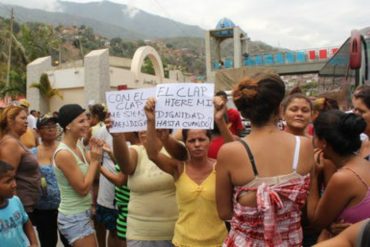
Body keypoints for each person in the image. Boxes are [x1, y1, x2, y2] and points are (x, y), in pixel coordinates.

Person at [216, 72, 314, 246]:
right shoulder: (304, 146)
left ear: (245, 111)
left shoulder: (230, 152)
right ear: (279, 109)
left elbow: (224, 212)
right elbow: (306, 207)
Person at [144, 97, 229, 246]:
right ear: (185, 144)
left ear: (210, 141)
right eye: (191, 140)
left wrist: (220, 120)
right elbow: (153, 155)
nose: (197, 144)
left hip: (219, 242)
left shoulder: (220, 167)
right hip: (183, 242)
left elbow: (236, 149)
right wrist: (151, 121)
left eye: (201, 139)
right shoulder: (178, 168)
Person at [106, 118, 187, 247]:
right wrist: (117, 137)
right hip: (140, 234)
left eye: (148, 127)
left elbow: (183, 155)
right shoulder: (136, 151)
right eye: (140, 129)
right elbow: (125, 166)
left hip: (174, 232)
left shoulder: (175, 149)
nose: (143, 132)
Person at [308, 110, 370, 238]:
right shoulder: (363, 163)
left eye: (314, 136)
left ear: (323, 142)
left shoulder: (343, 178)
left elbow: (316, 221)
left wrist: (313, 177)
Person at [53, 104, 103, 247]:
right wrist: (94, 160)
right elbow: (82, 189)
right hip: (74, 216)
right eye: (81, 121)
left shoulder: (78, 145)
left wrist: (97, 151)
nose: (87, 124)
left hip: (82, 213)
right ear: (68, 126)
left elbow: (94, 175)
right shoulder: (64, 154)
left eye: (87, 120)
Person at [30, 115, 70, 247]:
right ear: (38, 131)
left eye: (53, 127)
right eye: (47, 127)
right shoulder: (31, 153)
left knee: (70, 242)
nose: (51, 130)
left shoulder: (64, 149)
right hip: (43, 209)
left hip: (66, 206)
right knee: (47, 243)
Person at [89, 104, 123, 247]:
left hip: (128, 191)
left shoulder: (135, 132)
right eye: (110, 114)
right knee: (112, 230)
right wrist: (95, 195)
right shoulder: (101, 132)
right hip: (108, 190)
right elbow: (96, 160)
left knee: (124, 234)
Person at [0, 105, 41, 216]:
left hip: (26, 204)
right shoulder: (10, 144)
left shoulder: (16, 141)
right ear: (10, 121)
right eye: (22, 118)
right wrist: (14, 206)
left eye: (26, 118)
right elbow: (8, 177)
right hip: (20, 206)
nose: (26, 122)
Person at [0, 160, 38, 246]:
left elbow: (26, 221)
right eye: (8, 181)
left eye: (14, 179)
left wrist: (34, 243)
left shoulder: (15, 200)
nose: (14, 185)